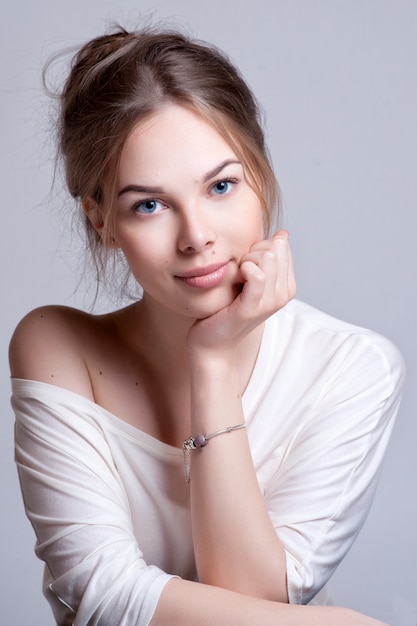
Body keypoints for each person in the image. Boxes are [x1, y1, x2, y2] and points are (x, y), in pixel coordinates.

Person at [9, 25, 404, 626]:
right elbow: (101, 592)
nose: (197, 238)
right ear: (101, 222)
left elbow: (255, 604)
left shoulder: (353, 368)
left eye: (221, 186)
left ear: (261, 177)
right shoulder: (59, 348)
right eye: (150, 204)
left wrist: (213, 364)